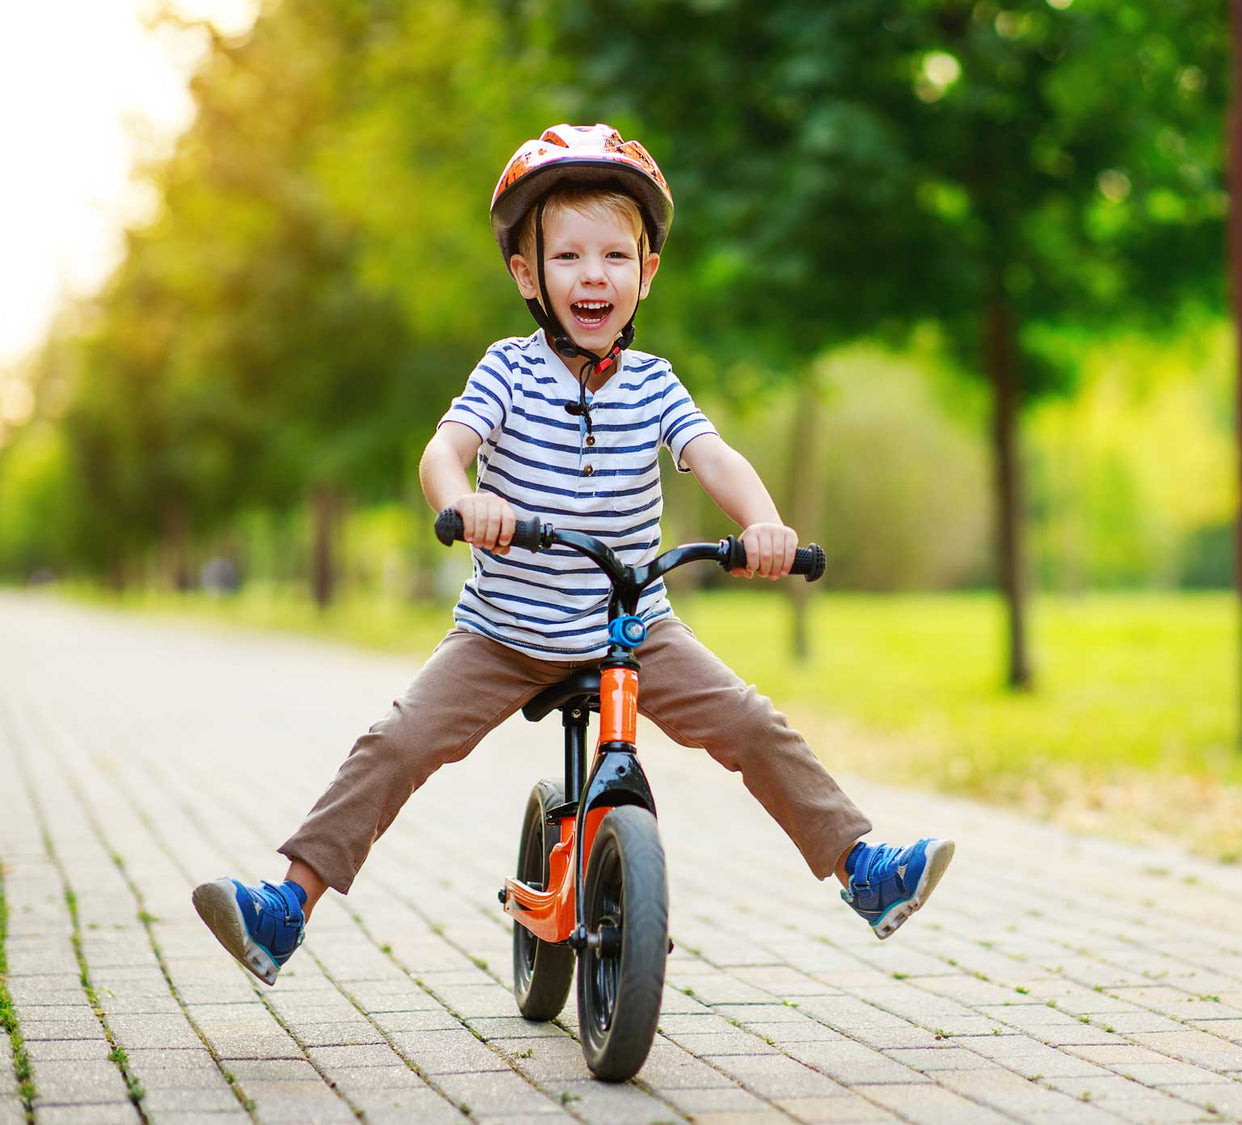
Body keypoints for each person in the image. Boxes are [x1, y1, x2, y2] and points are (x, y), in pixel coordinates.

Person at [192, 124, 955, 986]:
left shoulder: (656, 383)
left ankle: (862, 870)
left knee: (751, 722)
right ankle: (285, 907)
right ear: (529, 275)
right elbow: (442, 453)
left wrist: (766, 522)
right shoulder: (507, 373)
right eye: (569, 258)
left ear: (646, 272)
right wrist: (463, 501)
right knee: (397, 741)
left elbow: (714, 458)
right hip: (504, 631)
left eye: (615, 257)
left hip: (633, 627)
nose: (594, 275)